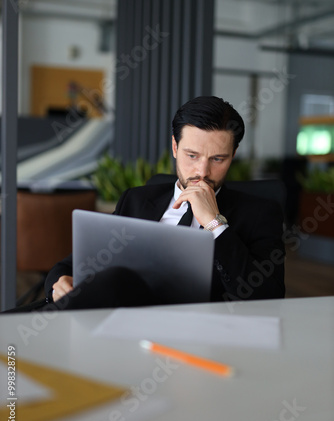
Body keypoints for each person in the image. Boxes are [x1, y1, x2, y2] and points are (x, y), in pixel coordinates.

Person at [45, 96, 285, 309]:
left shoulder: (260, 213)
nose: (202, 171)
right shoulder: (136, 200)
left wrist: (214, 223)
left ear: (233, 155)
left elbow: (267, 297)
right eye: (192, 156)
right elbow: (72, 264)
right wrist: (59, 282)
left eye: (218, 159)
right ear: (174, 147)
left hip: (193, 332)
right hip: (113, 315)